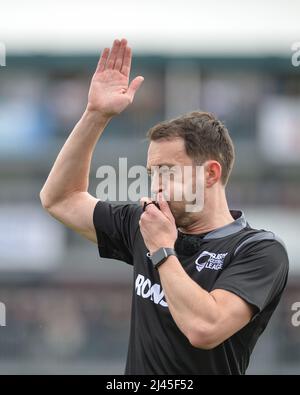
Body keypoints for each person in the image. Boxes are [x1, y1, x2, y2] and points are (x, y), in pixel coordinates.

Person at [40, 38, 289, 375]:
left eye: (167, 172)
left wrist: (161, 250)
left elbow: (205, 328)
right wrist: (95, 115)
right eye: (151, 173)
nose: (155, 184)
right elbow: (60, 199)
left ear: (211, 174)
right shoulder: (147, 223)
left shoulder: (258, 251)